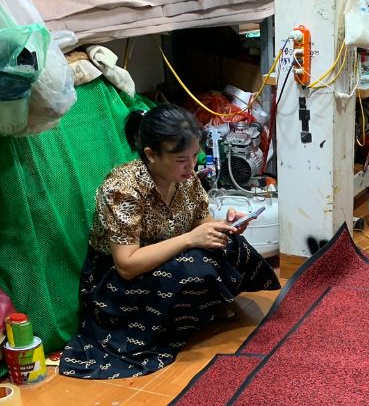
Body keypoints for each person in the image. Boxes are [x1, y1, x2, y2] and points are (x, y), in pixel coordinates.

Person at [60, 104, 279, 379]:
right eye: (181, 159)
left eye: (194, 156)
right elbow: (126, 265)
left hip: (170, 254)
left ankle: (191, 313)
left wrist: (227, 224)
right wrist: (189, 239)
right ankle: (172, 321)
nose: (191, 166)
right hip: (120, 280)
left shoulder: (185, 178)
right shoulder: (123, 188)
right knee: (194, 266)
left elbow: (200, 222)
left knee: (229, 245)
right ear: (151, 155)